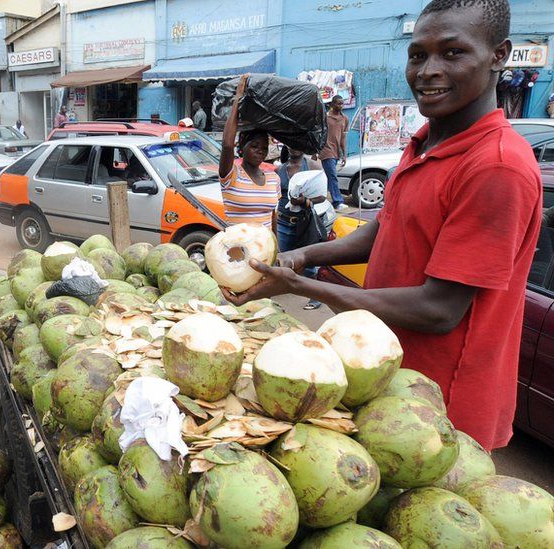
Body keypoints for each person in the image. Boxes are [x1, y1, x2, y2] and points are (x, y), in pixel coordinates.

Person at [225, 0, 541, 451]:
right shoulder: (424, 144)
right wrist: (302, 255)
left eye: (453, 53)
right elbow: (386, 230)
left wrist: (301, 286)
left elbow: (439, 309)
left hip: (441, 410)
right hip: (381, 375)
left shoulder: (496, 166)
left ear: (498, 55)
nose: (428, 70)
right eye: (418, 55)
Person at [218, 74, 280, 232]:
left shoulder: (274, 178)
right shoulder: (231, 175)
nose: (260, 150)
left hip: (265, 252)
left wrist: (277, 249)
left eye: (264, 147)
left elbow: (273, 216)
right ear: (241, 147)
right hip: (238, 252)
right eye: (254, 145)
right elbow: (226, 145)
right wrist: (238, 99)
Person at [275, 147, 326, 310]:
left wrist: (305, 201)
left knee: (309, 261)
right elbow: (276, 196)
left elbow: (322, 195)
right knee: (283, 259)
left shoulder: (313, 166)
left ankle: (315, 297)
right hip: (283, 222)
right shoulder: (280, 170)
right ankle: (285, 290)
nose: (294, 148)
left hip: (304, 223)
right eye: (291, 144)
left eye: (298, 144)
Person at [320, 95, 349, 211]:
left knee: (328, 176)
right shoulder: (325, 118)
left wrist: (344, 154)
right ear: (332, 104)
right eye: (338, 103)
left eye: (342, 104)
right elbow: (320, 133)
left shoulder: (345, 119)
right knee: (332, 175)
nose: (340, 106)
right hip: (326, 150)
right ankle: (337, 201)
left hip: (337, 151)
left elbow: (343, 137)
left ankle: (323, 200)